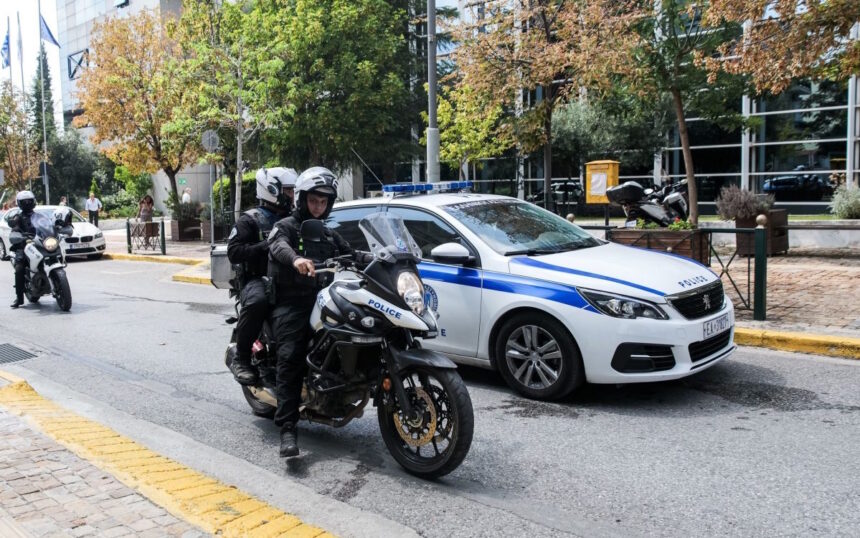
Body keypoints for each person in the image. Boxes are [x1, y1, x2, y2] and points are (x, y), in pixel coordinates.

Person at [268, 166, 370, 458]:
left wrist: (379, 257)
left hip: (322, 299)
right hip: (291, 302)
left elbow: (351, 253)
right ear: (302, 199)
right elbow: (278, 246)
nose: (318, 206)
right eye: (313, 200)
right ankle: (288, 428)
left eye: (323, 202)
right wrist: (296, 259)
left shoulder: (327, 233)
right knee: (291, 356)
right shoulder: (286, 226)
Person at [226, 167, 298, 386]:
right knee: (258, 302)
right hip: (258, 278)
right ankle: (241, 359)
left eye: (293, 190)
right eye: (288, 191)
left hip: (289, 277)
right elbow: (234, 252)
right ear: (272, 190)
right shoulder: (250, 220)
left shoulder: (294, 218)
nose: (293, 195)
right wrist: (266, 246)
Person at [8, 191, 38, 308]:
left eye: (29, 201)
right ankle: (19, 298)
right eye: (24, 202)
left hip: (39, 244)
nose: (27, 203)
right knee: (19, 268)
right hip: (24, 246)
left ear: (33, 201)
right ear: (20, 203)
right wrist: (15, 230)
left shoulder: (38, 216)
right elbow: (14, 227)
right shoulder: (18, 217)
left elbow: (47, 225)